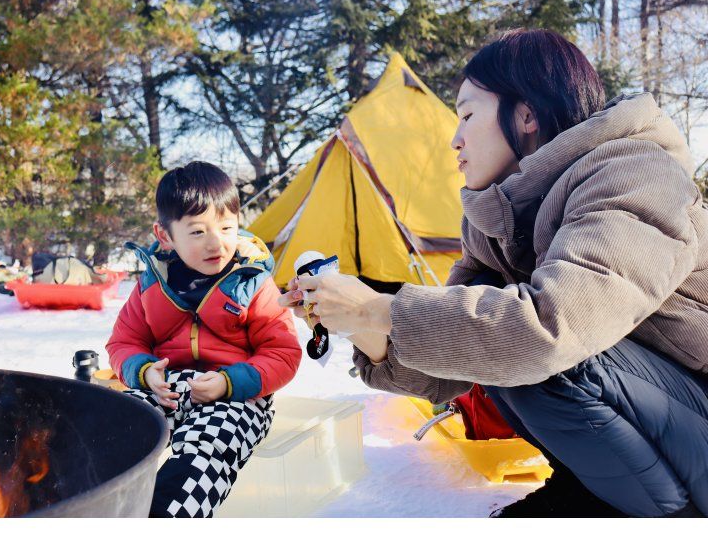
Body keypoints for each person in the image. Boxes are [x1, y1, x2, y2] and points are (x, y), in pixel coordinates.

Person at [280, 29, 708, 518]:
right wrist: (362, 323)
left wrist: (377, 305)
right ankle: (592, 489)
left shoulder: (635, 174)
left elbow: (551, 329)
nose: (454, 138)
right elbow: (447, 371)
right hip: (665, 424)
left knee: (531, 345)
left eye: (466, 115)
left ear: (525, 113)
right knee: (487, 323)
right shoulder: (498, 219)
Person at [107, 161, 302, 518]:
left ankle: (164, 518)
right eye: (197, 232)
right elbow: (123, 343)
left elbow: (283, 352)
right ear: (165, 236)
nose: (216, 243)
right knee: (116, 428)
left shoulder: (252, 283)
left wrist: (229, 383)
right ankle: (91, 510)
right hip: (165, 386)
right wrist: (145, 371)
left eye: (227, 227)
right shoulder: (153, 284)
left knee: (207, 446)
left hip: (237, 395)